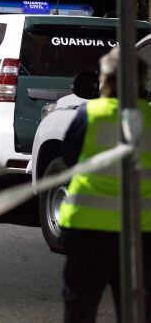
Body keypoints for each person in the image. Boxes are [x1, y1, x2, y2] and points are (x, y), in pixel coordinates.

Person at [58, 47, 151, 322]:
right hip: (140, 233)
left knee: (80, 308)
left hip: (87, 232)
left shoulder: (90, 113)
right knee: (136, 310)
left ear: (107, 79)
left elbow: (69, 157)